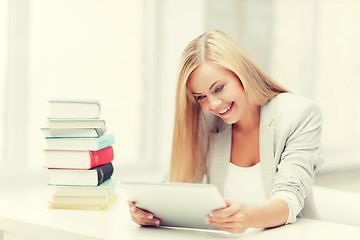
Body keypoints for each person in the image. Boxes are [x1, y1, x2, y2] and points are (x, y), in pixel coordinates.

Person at [127, 30, 323, 233]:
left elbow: (289, 197)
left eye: (218, 88)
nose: (213, 104)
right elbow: (178, 181)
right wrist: (150, 210)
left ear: (242, 74)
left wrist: (248, 218)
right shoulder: (207, 122)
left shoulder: (299, 115)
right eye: (201, 97)